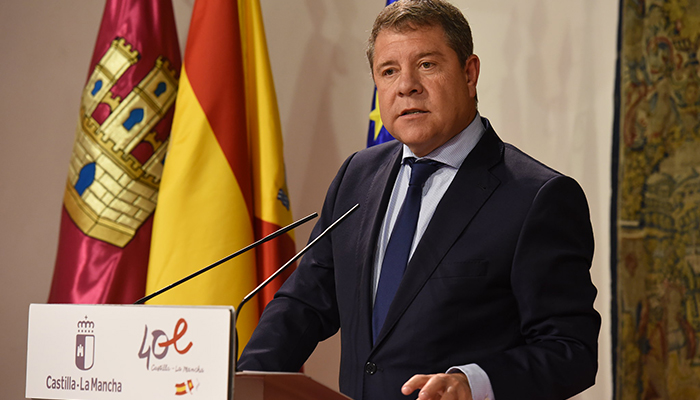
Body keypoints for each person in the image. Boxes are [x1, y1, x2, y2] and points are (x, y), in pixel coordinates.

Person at [238, 1, 601, 399]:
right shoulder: (356, 177)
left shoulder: (536, 197)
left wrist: (474, 383)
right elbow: (304, 305)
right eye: (388, 71)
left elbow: (571, 350)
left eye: (427, 65)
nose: (406, 85)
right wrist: (239, 382)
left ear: (469, 73)